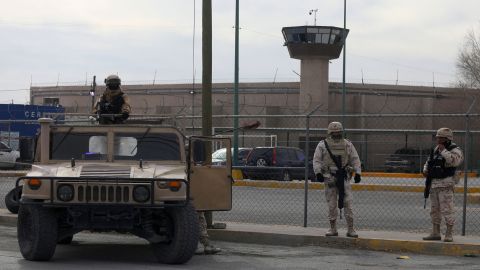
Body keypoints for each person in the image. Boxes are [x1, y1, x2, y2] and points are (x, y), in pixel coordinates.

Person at [313, 121, 362, 238]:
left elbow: (355, 159)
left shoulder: (347, 144)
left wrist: (358, 173)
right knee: (331, 204)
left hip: (344, 177)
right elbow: (317, 160)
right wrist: (318, 173)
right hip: (329, 177)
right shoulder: (322, 145)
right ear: (330, 133)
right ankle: (333, 228)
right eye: (334, 133)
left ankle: (351, 228)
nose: (336, 135)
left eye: (338, 133)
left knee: (348, 203)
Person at [422, 127, 463, 242]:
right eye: (438, 138)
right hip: (434, 184)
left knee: (447, 209)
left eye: (441, 138)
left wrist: (444, 151)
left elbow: (455, 161)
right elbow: (429, 161)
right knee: (434, 210)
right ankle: (435, 232)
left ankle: (449, 234)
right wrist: (425, 169)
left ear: (447, 139)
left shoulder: (455, 149)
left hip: (446, 184)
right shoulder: (436, 149)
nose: (438, 140)